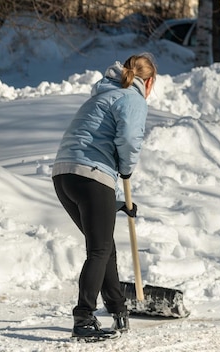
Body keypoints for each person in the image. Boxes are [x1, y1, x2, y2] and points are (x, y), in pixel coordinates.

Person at [51, 53, 157, 341]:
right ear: (148, 82)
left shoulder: (102, 95)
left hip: (64, 175)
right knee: (99, 250)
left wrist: (117, 203)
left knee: (104, 246)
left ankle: (118, 309)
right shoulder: (132, 98)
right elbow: (129, 139)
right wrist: (126, 169)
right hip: (91, 174)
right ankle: (83, 319)